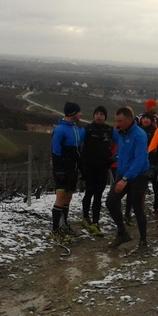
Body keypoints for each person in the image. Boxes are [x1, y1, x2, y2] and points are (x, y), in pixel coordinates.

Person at [105, 107, 151, 249]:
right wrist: (115, 158)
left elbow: (140, 160)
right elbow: (123, 151)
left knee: (137, 207)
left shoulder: (139, 135)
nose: (117, 124)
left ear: (129, 120)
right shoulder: (121, 133)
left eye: (120, 121)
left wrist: (125, 179)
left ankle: (143, 240)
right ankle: (122, 233)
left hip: (138, 176)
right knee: (111, 202)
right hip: (123, 173)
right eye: (116, 121)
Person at [50, 102, 85, 242]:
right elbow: (55, 151)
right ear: (72, 113)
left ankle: (63, 225)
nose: (81, 114)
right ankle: (54, 230)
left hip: (73, 168)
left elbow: (78, 150)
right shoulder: (60, 130)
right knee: (61, 198)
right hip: (63, 169)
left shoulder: (76, 128)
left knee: (68, 198)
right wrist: (59, 170)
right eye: (78, 112)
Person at [80, 106, 112, 236]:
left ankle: (95, 222)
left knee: (98, 195)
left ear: (105, 117)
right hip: (89, 168)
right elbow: (79, 146)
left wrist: (114, 158)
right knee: (89, 192)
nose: (99, 116)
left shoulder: (109, 130)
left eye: (102, 114)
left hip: (103, 168)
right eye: (97, 114)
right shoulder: (87, 129)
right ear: (93, 116)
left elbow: (118, 145)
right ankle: (85, 217)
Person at [124, 113, 158, 224]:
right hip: (135, 162)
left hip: (148, 163)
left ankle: (141, 210)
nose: (145, 120)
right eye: (144, 118)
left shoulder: (154, 132)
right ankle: (128, 212)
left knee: (142, 189)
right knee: (131, 188)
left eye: (148, 118)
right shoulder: (137, 130)